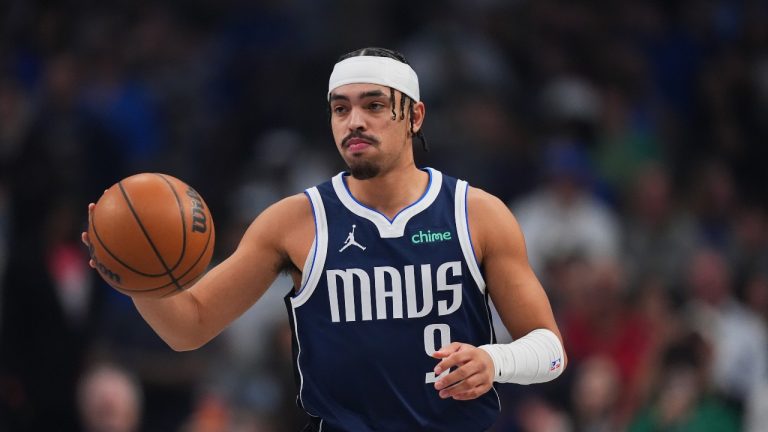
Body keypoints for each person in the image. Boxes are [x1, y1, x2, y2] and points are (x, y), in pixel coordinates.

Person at [83, 47, 566, 432]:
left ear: (415, 116)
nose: (354, 120)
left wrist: (494, 359)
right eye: (341, 108)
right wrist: (131, 271)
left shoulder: (476, 213)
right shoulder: (294, 221)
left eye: (374, 105)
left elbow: (550, 351)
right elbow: (188, 327)